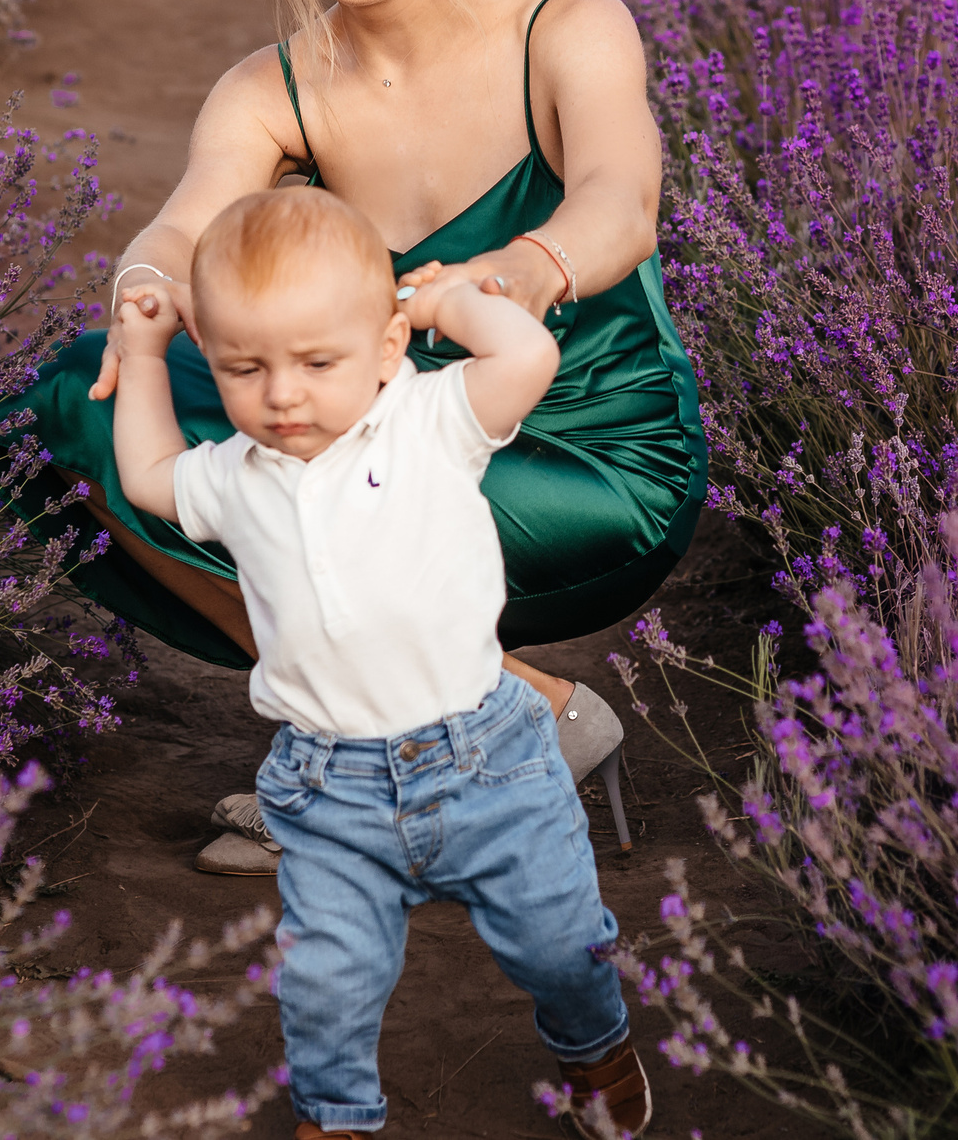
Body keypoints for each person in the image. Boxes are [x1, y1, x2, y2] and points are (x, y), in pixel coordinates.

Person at [0, 0, 707, 875]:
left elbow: (618, 202)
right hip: (392, 461)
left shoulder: (567, 27)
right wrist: (145, 289)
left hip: (591, 464)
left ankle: (384, 773)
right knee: (75, 400)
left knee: (322, 485)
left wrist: (523, 269)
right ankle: (501, 719)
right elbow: (177, 228)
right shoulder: (272, 87)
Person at [111, 187, 650, 1140]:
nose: (282, 394)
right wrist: (148, 356)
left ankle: (595, 1043)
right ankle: (336, 1115)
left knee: (560, 944)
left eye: (319, 362)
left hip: (490, 759)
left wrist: (450, 304)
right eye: (244, 368)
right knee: (327, 979)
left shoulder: (430, 421)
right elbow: (150, 475)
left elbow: (529, 352)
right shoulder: (234, 473)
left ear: (389, 348)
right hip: (331, 786)